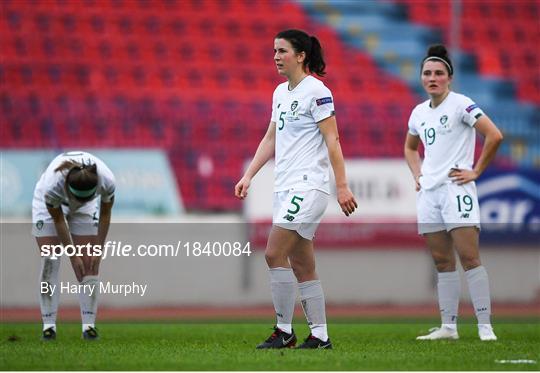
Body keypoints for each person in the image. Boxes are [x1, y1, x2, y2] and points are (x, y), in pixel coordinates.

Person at [235, 29, 357, 349]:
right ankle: (320, 335)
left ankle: (284, 331)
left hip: (308, 185)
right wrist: (249, 175)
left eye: (282, 51)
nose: (276, 56)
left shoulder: (317, 91)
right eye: (274, 51)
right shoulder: (280, 93)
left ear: (300, 56)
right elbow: (270, 138)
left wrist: (341, 186)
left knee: (274, 253)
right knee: (303, 264)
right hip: (284, 187)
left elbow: (333, 139)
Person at [404, 45, 503, 341]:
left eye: (438, 73)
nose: (432, 78)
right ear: (421, 78)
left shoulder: (462, 104)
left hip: (456, 190)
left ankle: (485, 326)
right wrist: (417, 173)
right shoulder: (419, 112)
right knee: (442, 261)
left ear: (449, 77)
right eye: (427, 73)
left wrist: (476, 171)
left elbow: (494, 135)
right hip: (429, 193)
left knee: (469, 257)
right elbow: (409, 148)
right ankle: (449, 326)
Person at [32, 151, 115, 340]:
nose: (80, 202)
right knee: (50, 259)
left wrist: (98, 250)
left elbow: (105, 214)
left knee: (89, 265)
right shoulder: (52, 187)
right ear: (68, 187)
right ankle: (49, 327)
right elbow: (59, 221)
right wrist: (72, 254)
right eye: (78, 198)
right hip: (49, 206)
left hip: (86, 211)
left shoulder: (107, 180)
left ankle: (89, 327)